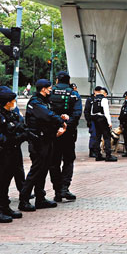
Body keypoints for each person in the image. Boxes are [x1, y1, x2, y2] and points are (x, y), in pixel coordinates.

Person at [20, 79, 64, 211]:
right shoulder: (35, 102)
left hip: (47, 140)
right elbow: (48, 116)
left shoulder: (44, 101)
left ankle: (40, 198)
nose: (51, 90)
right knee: (36, 170)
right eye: (49, 88)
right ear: (43, 89)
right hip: (38, 142)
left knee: (43, 170)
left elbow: (51, 115)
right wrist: (60, 121)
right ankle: (24, 199)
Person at [0, 86, 26, 223]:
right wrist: (12, 138)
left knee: (6, 181)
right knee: (0, 182)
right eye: (13, 101)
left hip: (11, 152)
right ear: (8, 102)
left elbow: (18, 124)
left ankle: (4, 207)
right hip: (2, 153)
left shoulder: (7, 113)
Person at [48, 71, 81, 202]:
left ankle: (57, 190)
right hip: (69, 133)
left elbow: (46, 111)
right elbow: (77, 113)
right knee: (68, 160)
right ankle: (64, 188)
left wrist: (57, 124)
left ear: (57, 80)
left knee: (54, 161)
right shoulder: (74, 94)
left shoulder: (50, 93)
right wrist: (67, 125)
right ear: (68, 81)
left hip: (53, 132)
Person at [86, 87, 117, 162]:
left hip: (95, 119)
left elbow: (91, 111)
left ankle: (98, 155)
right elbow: (106, 112)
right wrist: (109, 122)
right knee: (107, 137)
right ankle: (108, 155)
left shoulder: (94, 99)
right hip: (103, 119)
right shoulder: (104, 99)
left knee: (97, 137)